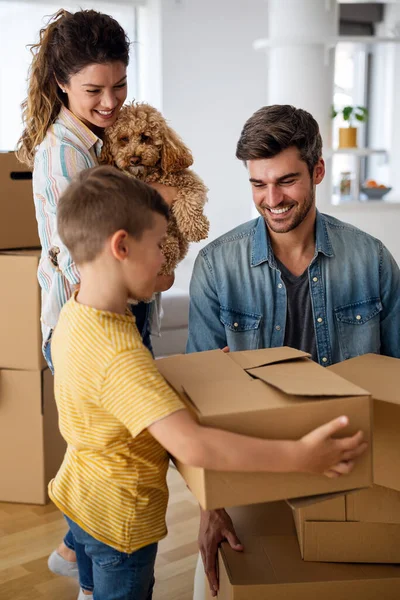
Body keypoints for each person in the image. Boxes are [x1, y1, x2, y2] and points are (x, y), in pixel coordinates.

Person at [50, 165, 367, 600]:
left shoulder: (81, 311)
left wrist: (187, 367)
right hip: (120, 524)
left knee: (91, 588)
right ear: (121, 246)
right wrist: (301, 456)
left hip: (79, 498)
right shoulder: (118, 355)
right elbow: (194, 445)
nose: (166, 257)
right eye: (160, 245)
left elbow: (105, 383)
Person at [187, 104, 400, 598]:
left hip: (354, 467)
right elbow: (197, 401)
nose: (271, 199)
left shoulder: (370, 259)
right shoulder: (218, 266)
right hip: (254, 471)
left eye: (286, 181)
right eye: (258, 184)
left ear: (318, 171)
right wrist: (210, 507)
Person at [16, 9, 176, 599]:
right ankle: (89, 569)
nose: (110, 101)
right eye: (94, 90)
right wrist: (150, 276)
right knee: (114, 463)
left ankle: (77, 561)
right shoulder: (66, 156)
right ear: (62, 83)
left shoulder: (95, 139)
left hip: (111, 320)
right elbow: (80, 255)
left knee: (98, 455)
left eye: (120, 85)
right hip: (92, 328)